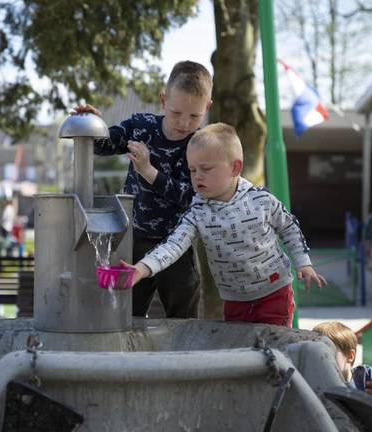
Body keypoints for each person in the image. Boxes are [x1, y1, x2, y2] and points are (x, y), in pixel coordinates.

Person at [124, 123, 326, 327]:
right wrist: (142, 268)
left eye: (206, 168)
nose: (197, 176)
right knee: (239, 351)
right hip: (234, 300)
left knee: (274, 346)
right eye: (192, 170)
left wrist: (303, 263)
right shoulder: (197, 212)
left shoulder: (261, 200)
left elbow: (289, 227)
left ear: (235, 167)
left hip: (274, 292)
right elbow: (173, 245)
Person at [72, 60, 213, 319]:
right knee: (125, 314)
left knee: (184, 319)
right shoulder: (141, 127)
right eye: (176, 113)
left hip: (177, 247)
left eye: (194, 116)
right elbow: (103, 145)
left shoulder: (201, 144)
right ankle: (128, 360)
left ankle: (184, 360)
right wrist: (91, 124)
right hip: (134, 243)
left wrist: (149, 172)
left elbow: (192, 198)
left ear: (207, 108)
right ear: (163, 100)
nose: (184, 123)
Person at [313, 321, 372, 406]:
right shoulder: (316, 379)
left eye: (328, 354)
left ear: (350, 357)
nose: (321, 359)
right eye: (316, 354)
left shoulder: (365, 377)